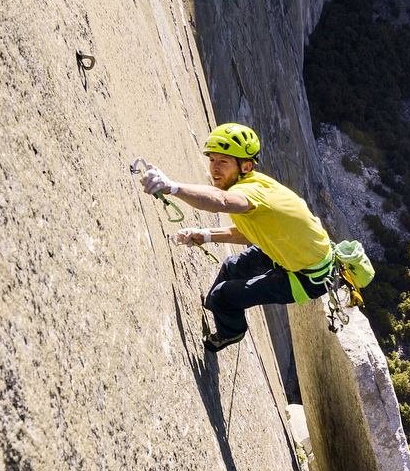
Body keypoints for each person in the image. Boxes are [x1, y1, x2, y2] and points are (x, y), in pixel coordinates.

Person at [139, 122, 334, 352]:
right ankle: (219, 307)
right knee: (231, 267)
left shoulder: (249, 192)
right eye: (212, 159)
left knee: (224, 296)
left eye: (223, 162)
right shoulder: (250, 184)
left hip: (308, 277)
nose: (214, 168)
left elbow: (220, 201)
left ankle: (231, 332)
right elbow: (250, 233)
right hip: (287, 250)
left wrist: (173, 188)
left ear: (246, 166)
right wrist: (205, 235)